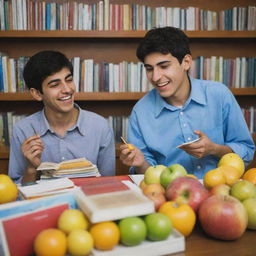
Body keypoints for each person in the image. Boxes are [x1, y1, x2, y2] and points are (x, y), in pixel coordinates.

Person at [120, 26, 255, 178]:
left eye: (164, 66)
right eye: (149, 69)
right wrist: (141, 164)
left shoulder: (219, 95)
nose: (156, 77)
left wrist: (214, 149)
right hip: (170, 198)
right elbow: (149, 176)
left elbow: (246, 150)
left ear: (186, 62)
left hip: (222, 191)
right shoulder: (140, 112)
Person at [9, 50, 115, 184]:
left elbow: (109, 184)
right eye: (55, 85)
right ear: (36, 94)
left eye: (69, 80)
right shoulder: (23, 130)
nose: (67, 89)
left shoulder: (100, 126)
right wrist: (31, 168)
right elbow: (17, 193)